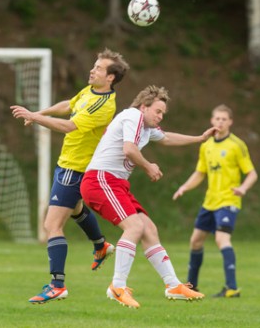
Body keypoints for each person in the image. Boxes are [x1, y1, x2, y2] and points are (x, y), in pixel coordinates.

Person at [10, 48, 129, 304]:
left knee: (51, 225)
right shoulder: (90, 92)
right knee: (75, 209)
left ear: (110, 78)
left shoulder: (103, 105)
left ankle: (57, 284)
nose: (92, 70)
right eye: (94, 65)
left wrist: (34, 117)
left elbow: (69, 126)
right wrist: (40, 113)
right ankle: (101, 245)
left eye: (98, 68)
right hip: (68, 163)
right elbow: (69, 105)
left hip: (76, 168)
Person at [81, 85, 216, 308]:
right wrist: (148, 166)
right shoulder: (133, 115)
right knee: (134, 227)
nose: (161, 116)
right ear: (144, 107)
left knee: (149, 229)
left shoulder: (144, 125)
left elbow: (167, 138)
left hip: (115, 184)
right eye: (158, 111)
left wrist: (199, 138)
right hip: (100, 180)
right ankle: (117, 286)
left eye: (163, 113)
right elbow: (129, 150)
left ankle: (173, 285)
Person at [173, 104, 258, 298]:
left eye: (224, 119)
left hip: (228, 200)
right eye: (217, 118)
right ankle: (191, 287)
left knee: (221, 239)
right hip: (210, 202)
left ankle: (232, 288)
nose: (220, 122)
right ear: (212, 121)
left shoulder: (237, 145)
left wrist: (243, 188)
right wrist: (184, 187)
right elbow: (200, 172)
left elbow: (252, 173)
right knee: (195, 241)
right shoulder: (207, 145)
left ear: (230, 122)